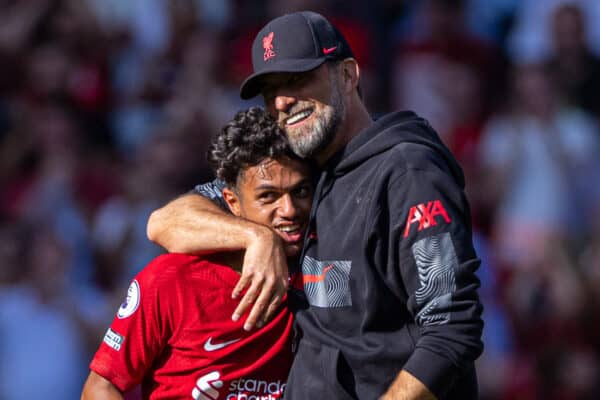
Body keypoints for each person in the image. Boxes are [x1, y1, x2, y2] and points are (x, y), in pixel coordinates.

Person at [147, 11, 484, 399]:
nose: (283, 100)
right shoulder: (300, 175)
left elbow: (450, 329)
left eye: (298, 80)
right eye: (271, 90)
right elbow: (164, 221)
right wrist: (257, 237)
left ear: (348, 75)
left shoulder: (408, 171)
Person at [81, 107, 313, 399]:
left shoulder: (322, 270)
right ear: (233, 202)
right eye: (268, 196)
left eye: (301, 191)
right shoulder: (170, 280)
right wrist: (259, 237)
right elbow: (101, 386)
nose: (290, 210)